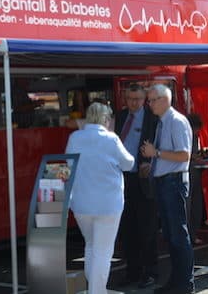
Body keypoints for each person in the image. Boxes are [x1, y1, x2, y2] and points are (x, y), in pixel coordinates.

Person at [65, 102, 135, 294]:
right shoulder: (111, 139)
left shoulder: (75, 137)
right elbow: (128, 163)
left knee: (91, 246)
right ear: (106, 118)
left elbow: (68, 165)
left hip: (81, 203)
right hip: (107, 204)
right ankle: (97, 291)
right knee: (103, 251)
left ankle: (94, 289)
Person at [141, 84, 195, 294]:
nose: (150, 104)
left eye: (153, 100)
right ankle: (177, 282)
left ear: (165, 100)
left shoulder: (176, 121)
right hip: (166, 182)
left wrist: (155, 154)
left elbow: (184, 156)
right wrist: (152, 164)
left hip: (173, 183)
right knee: (172, 236)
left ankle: (184, 284)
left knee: (178, 235)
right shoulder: (165, 121)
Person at [115, 84, 159, 288]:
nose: (134, 102)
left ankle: (150, 273)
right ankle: (132, 273)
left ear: (145, 100)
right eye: (130, 98)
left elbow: (162, 147)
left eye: (138, 99)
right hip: (122, 179)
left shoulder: (153, 118)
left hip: (143, 179)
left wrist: (151, 164)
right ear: (125, 98)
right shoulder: (120, 117)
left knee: (147, 229)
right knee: (128, 229)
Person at [186, 113, 208, 245]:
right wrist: (194, 157)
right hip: (187, 173)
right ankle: (188, 235)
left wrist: (201, 154)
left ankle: (193, 234)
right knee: (188, 206)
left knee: (196, 205)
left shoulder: (195, 137)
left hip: (196, 173)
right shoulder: (183, 136)